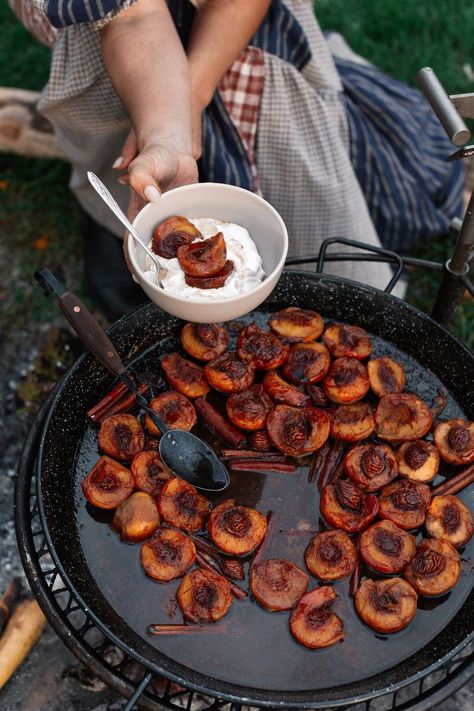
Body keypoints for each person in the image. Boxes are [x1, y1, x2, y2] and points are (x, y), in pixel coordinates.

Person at [7, 0, 464, 320]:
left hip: (239, 20)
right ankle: (118, 237)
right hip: (108, 28)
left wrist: (193, 95)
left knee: (299, 174)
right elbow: (131, 17)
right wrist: (168, 136)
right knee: (120, 131)